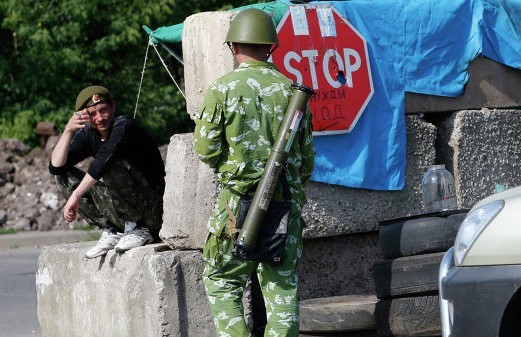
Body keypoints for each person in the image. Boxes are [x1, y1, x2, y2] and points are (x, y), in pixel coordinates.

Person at [193, 8, 315, 337]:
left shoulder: (222, 89)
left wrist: (234, 173)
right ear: (271, 48)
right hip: (284, 206)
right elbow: (306, 162)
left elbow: (206, 150)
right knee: (282, 291)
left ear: (233, 46)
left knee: (222, 282)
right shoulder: (294, 93)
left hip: (236, 208)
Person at [49, 85, 165, 259]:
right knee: (63, 176)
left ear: (113, 106)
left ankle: (139, 229)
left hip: (154, 210)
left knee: (111, 163)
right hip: (124, 215)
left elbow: (102, 162)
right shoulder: (88, 134)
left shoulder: (124, 126)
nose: (100, 118)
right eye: (92, 114)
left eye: (104, 110)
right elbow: (56, 167)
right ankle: (113, 229)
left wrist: (76, 195)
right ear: (83, 115)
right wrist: (68, 131)